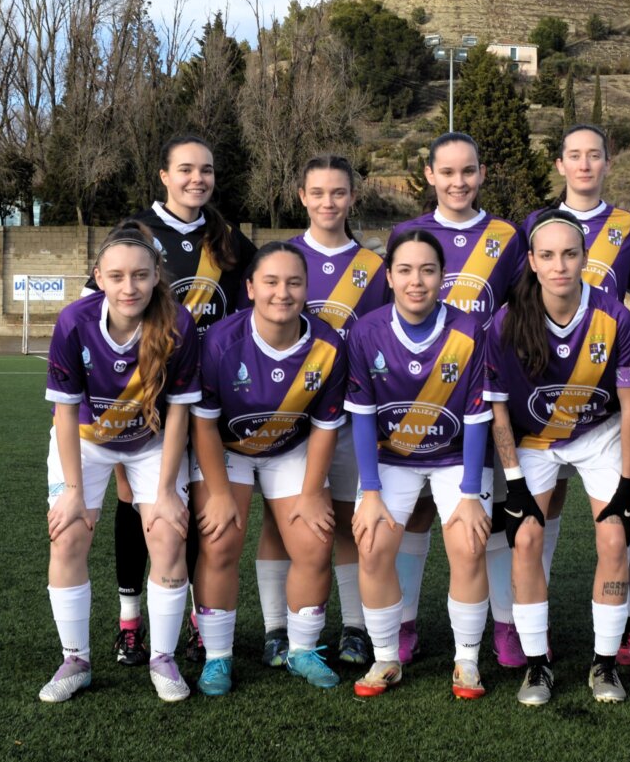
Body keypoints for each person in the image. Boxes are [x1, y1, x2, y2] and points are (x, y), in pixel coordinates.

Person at [89, 135, 256, 668]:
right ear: (163, 175)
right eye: (185, 169)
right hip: (144, 394)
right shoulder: (136, 231)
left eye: (206, 170)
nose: (197, 179)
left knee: (189, 509)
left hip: (211, 396)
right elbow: (103, 305)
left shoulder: (227, 237)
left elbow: (257, 298)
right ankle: (129, 623)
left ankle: (194, 622)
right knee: (136, 504)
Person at [486, 210, 630, 705]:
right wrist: (513, 481)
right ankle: (537, 665)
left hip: (600, 433)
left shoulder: (615, 316)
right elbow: (498, 410)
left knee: (615, 536)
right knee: (527, 535)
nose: (560, 266)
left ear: (585, 259)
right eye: (548, 255)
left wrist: (625, 482)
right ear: (531, 261)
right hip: (533, 441)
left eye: (570, 254)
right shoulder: (507, 322)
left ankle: (603, 663)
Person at [39, 221, 201, 703]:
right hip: (86, 442)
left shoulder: (178, 324)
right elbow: (65, 414)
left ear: (156, 276)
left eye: (140, 275)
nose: (129, 287)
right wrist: (73, 490)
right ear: (99, 278)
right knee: (68, 535)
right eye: (117, 276)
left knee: (168, 534)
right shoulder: (74, 321)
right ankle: (76, 659)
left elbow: (179, 414)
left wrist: (168, 490)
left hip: (152, 442)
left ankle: (163, 658)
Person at [389, 133, 526, 667]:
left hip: (483, 396)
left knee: (484, 514)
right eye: (447, 172)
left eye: (467, 171)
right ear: (429, 175)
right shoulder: (408, 233)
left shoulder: (507, 235)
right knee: (416, 513)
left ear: (482, 173)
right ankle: (403, 624)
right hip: (415, 396)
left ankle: (506, 626)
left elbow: (521, 311)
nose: (458, 182)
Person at [189, 242, 348, 695]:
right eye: (272, 282)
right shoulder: (221, 341)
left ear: (307, 288)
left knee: (315, 541)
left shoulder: (327, 344)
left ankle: (302, 649)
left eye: (294, 282)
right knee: (219, 540)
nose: (283, 292)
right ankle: (218, 657)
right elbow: (202, 425)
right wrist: (219, 493)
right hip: (227, 449)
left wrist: (314, 490)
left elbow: (323, 427)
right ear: (252, 288)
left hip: (290, 449)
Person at [251, 155, 389, 670]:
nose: (328, 202)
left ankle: (353, 627)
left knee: (350, 524)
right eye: (318, 192)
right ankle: (276, 629)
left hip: (349, 416)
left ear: (352, 197)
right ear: (302, 196)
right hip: (287, 419)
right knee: (280, 523)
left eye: (338, 192)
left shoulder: (374, 268)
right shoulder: (282, 258)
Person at [344, 229, 493, 698]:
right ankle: (386, 658)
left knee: (469, 543)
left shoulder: (469, 330)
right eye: (405, 270)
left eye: (427, 270)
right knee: (370, 544)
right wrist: (369, 492)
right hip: (390, 459)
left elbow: (475, 420)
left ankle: (466, 661)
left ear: (442, 277)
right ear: (389, 277)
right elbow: (364, 419)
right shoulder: (366, 332)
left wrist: (470, 495)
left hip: (455, 458)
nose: (416, 281)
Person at [521, 124, 630, 658]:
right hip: (545, 401)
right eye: (573, 155)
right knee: (538, 518)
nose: (584, 165)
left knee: (617, 525)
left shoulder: (626, 225)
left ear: (607, 162)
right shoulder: (535, 223)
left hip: (604, 398)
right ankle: (532, 629)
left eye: (593, 155)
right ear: (559, 164)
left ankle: (619, 631)